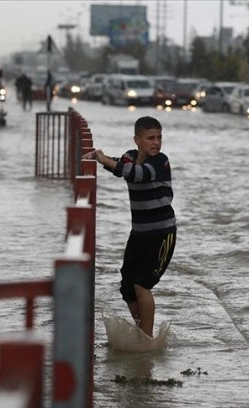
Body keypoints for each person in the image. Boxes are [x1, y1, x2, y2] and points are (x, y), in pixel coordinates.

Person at [83, 116, 177, 338]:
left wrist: (105, 160)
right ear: (137, 139)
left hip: (162, 234)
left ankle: (146, 339)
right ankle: (140, 332)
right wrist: (101, 159)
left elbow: (137, 175)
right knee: (127, 287)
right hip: (139, 234)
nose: (156, 142)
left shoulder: (160, 162)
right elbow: (122, 167)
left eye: (159, 137)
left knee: (142, 285)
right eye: (150, 138)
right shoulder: (129, 157)